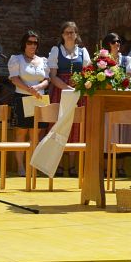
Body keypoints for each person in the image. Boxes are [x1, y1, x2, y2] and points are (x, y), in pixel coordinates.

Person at [46, 21, 91, 174]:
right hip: (60, 92)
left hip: (78, 93)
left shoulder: (83, 52)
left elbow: (87, 73)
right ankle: (57, 164)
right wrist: (68, 88)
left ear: (76, 34)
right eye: (67, 32)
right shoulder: (56, 50)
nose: (69, 35)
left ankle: (72, 165)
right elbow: (53, 76)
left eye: (72, 32)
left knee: (76, 126)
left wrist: (79, 89)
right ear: (62, 35)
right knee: (58, 125)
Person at [8, 31, 50, 177]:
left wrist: (38, 87)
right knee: (21, 133)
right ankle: (21, 167)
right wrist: (29, 89)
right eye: (29, 42)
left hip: (39, 98)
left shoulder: (43, 60)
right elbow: (14, 78)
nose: (32, 45)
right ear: (24, 44)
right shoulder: (17, 59)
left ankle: (32, 166)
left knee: (35, 134)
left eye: (35, 43)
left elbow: (47, 80)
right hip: (22, 97)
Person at [104, 32, 131, 177]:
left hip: (122, 100)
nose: (117, 44)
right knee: (108, 134)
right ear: (108, 45)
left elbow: (128, 77)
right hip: (108, 100)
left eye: (119, 41)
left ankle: (121, 167)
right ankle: (106, 168)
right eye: (113, 42)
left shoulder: (126, 59)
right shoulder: (102, 60)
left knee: (123, 134)